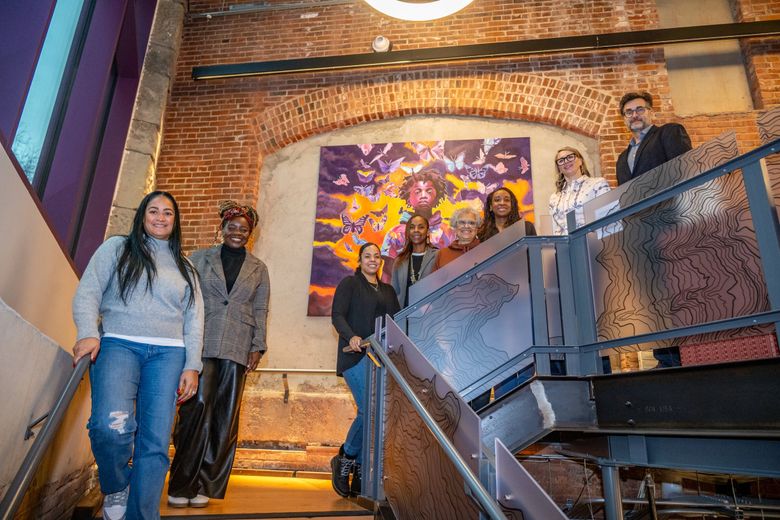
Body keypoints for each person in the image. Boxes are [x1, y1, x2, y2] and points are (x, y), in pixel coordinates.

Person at [72, 191, 203, 520]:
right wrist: (88, 332)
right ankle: (116, 486)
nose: (160, 217)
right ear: (142, 215)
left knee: (155, 443)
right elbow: (88, 291)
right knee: (109, 427)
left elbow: (195, 320)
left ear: (175, 221)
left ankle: (142, 514)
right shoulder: (117, 248)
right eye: (153, 211)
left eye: (168, 213)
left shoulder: (186, 266)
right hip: (118, 345)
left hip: (169, 355)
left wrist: (192, 365)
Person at [168, 201, 270, 509]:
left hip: (238, 345)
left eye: (244, 229)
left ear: (250, 234)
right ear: (222, 228)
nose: (237, 232)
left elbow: (260, 309)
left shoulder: (259, 268)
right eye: (232, 227)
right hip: (201, 341)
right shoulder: (198, 259)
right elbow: (183, 300)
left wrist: (257, 346)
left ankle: (205, 484)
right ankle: (182, 482)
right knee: (195, 410)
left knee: (225, 417)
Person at [331, 243, 400, 497]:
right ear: (359, 260)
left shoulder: (388, 291)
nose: (372, 260)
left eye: (376, 256)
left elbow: (396, 323)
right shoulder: (349, 284)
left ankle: (360, 469)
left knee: (375, 414)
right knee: (369, 409)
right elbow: (337, 315)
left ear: (380, 262)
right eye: (367, 256)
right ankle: (346, 457)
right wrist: (351, 336)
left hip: (380, 359)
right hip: (354, 356)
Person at [381, 168, 453, 282]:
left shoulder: (447, 231)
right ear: (408, 197)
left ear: (437, 197)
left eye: (429, 191)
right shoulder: (396, 233)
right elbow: (388, 272)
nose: (423, 196)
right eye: (418, 191)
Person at [616, 91, 692, 186]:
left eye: (640, 109)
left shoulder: (669, 132)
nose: (634, 115)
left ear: (651, 112)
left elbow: (685, 172)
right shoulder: (621, 159)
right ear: (624, 119)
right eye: (629, 112)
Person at [549, 147, 611, 235]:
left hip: (591, 241)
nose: (566, 161)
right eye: (561, 161)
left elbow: (608, 218)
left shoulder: (598, 184)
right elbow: (554, 229)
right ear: (559, 168)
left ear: (580, 161)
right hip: (564, 243)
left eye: (570, 157)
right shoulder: (554, 197)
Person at [391, 214, 437, 308]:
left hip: (431, 314)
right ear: (408, 232)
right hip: (404, 315)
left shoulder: (437, 256)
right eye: (412, 227)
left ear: (428, 232)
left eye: (421, 227)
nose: (416, 230)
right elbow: (394, 293)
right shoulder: (400, 260)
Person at [433, 206, 481, 271]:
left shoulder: (486, 250)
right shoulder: (443, 254)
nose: (466, 226)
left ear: (477, 227)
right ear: (455, 227)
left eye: (471, 223)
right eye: (462, 222)